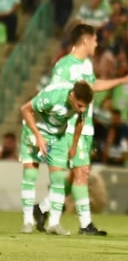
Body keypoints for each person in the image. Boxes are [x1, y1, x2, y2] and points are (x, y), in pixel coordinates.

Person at [33, 23, 128, 236]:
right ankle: (84, 224)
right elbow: (56, 95)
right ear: (85, 41)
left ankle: (43, 208)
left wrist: (123, 80)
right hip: (70, 127)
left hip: (85, 126)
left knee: (77, 175)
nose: (97, 43)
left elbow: (93, 86)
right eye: (95, 39)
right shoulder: (64, 66)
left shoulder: (86, 65)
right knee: (79, 173)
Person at [20, 81, 93, 234]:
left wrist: (73, 146)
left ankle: (54, 223)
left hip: (57, 136)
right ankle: (27, 221)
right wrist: (38, 136)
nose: (82, 109)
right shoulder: (53, 96)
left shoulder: (82, 105)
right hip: (34, 132)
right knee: (30, 174)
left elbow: (80, 123)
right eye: (80, 105)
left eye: (85, 106)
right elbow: (25, 110)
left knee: (59, 178)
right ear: (72, 96)